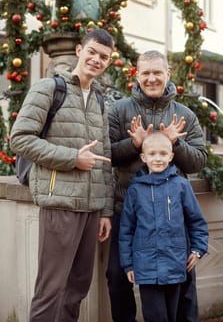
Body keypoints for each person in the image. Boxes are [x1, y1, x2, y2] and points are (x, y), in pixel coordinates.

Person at [10, 29, 114, 322]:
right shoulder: (48, 88)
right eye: (92, 52)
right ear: (80, 51)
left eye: (103, 57)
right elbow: (19, 138)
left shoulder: (100, 101)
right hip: (59, 203)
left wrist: (105, 211)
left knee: (78, 287)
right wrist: (72, 159)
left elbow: (104, 161)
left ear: (108, 63)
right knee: (51, 288)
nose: (96, 59)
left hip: (91, 209)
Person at [106, 50, 208, 322]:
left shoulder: (185, 114)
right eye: (146, 73)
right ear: (136, 75)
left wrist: (174, 142)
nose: (151, 78)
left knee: (184, 279)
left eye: (157, 73)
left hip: (173, 213)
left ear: (167, 74)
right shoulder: (119, 110)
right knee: (117, 275)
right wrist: (134, 144)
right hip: (128, 209)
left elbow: (199, 161)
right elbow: (107, 155)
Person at [119, 131, 209, 322]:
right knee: (155, 316)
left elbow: (196, 221)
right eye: (152, 154)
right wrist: (128, 264)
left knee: (173, 315)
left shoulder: (181, 186)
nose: (157, 158)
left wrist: (198, 249)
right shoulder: (135, 190)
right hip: (146, 267)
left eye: (162, 153)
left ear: (171, 156)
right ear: (143, 157)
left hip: (175, 265)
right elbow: (126, 230)